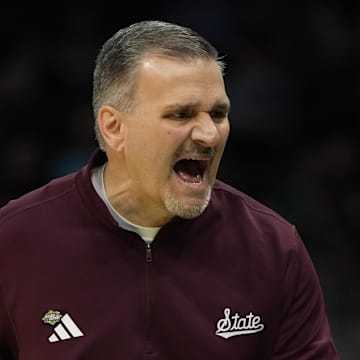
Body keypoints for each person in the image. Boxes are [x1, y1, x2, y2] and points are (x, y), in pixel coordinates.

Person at [0, 20, 340, 359]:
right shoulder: (13, 241)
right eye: (181, 114)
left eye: (218, 113)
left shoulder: (275, 249)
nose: (209, 135)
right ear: (114, 127)